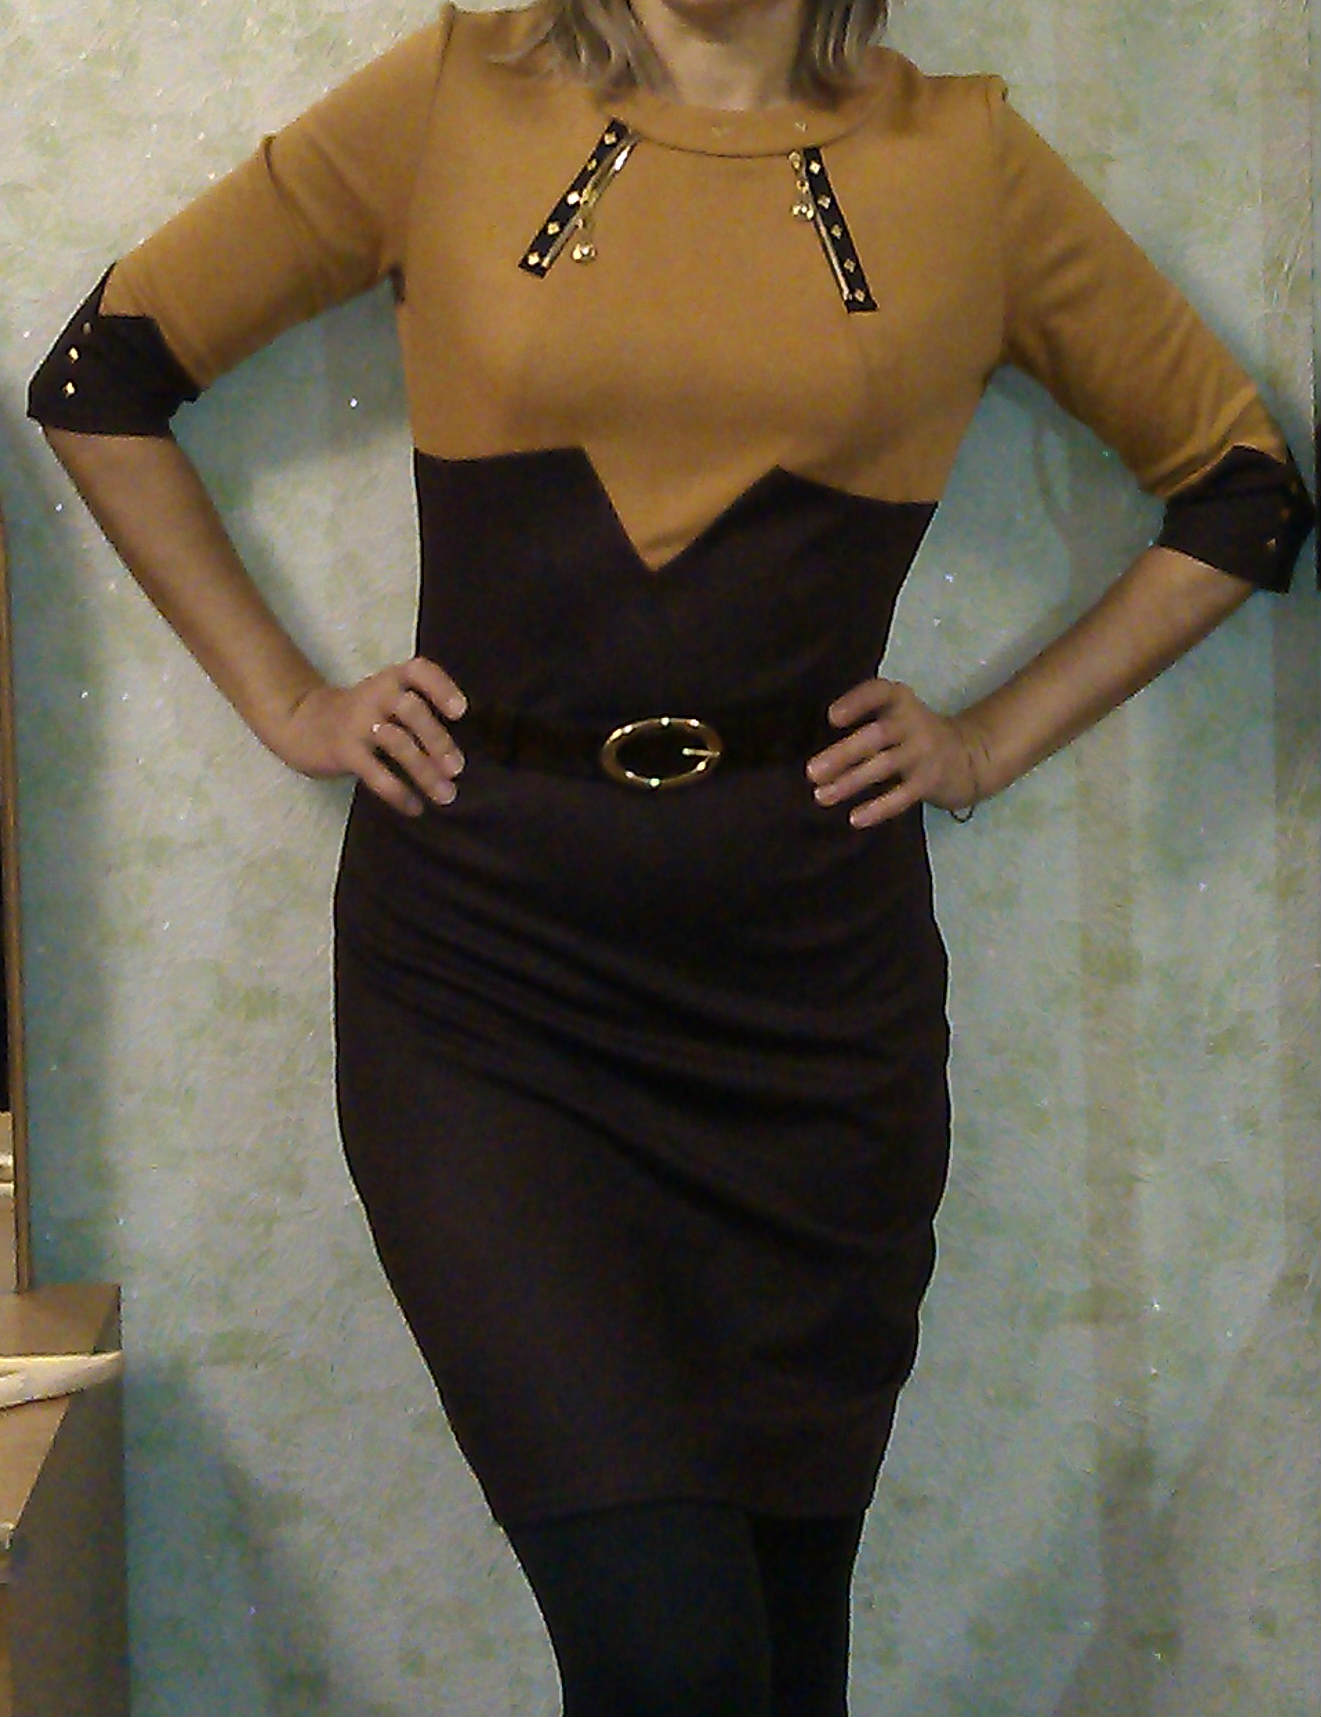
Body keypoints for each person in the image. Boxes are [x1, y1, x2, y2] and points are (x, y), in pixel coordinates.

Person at [27, 0, 1314, 1711]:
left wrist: (987, 740)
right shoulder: (455, 94)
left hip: (814, 1017)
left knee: (774, 1662)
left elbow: (1238, 488)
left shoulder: (964, 161)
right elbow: (100, 379)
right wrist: (287, 699)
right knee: (674, 1659)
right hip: (481, 990)